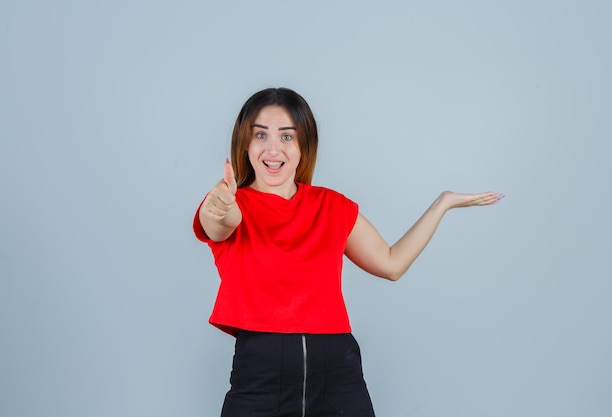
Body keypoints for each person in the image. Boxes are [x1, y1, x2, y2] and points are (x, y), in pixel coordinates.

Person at [193, 87, 503, 417]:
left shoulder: (332, 206)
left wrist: (442, 204)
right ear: (245, 143)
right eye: (260, 135)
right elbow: (220, 223)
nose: (273, 149)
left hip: (337, 372)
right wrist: (221, 206)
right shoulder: (231, 203)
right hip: (260, 373)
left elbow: (391, 264)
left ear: (304, 145)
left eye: (287, 136)